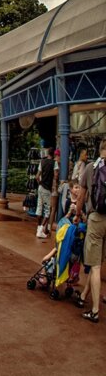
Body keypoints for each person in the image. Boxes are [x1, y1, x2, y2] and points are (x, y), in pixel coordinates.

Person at [73, 138, 106, 323]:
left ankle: (94, 311)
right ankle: (85, 295)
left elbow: (81, 197)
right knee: (101, 261)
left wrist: (78, 214)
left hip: (96, 219)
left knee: (95, 266)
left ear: (100, 149)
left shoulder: (91, 168)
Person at [35, 149, 59, 239]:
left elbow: (37, 176)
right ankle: (40, 230)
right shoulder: (54, 163)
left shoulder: (42, 162)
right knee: (47, 210)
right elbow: (56, 176)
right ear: (53, 155)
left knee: (39, 207)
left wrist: (40, 182)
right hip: (47, 189)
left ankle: (38, 228)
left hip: (40, 187)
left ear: (47, 154)